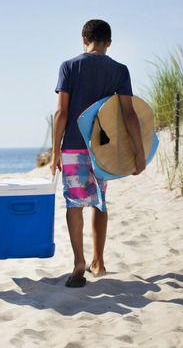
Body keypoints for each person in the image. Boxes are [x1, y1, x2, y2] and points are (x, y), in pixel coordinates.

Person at [50, 19, 146, 288]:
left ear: (84, 40)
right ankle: (99, 262)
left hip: (72, 145)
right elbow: (129, 112)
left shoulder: (69, 66)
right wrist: (139, 153)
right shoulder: (120, 70)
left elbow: (61, 112)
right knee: (99, 200)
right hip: (102, 149)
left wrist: (56, 150)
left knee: (74, 203)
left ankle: (79, 261)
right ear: (109, 43)